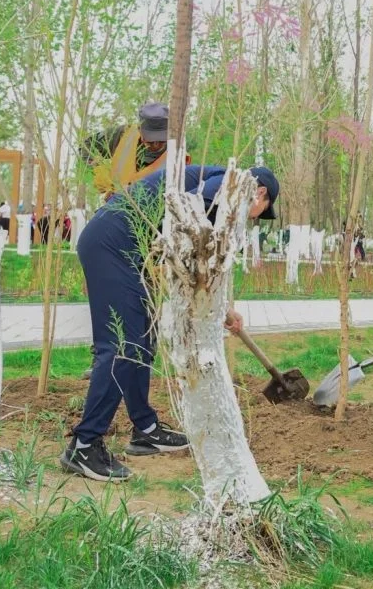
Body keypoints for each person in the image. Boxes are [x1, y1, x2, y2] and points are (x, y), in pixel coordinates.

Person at [60, 164, 280, 482]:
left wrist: (220, 306)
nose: (254, 217)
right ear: (260, 193)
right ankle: (84, 445)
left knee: (143, 340)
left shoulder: (216, 180)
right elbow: (188, 224)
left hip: (126, 248)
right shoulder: (228, 184)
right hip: (113, 245)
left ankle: (146, 430)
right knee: (125, 345)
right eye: (261, 211)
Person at [80, 101, 172, 201]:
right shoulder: (123, 134)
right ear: (139, 129)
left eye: (161, 140)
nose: (156, 145)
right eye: (150, 141)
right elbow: (86, 145)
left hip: (152, 213)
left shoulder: (177, 154)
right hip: (116, 207)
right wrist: (97, 168)